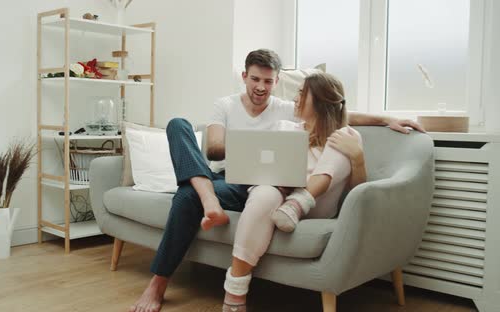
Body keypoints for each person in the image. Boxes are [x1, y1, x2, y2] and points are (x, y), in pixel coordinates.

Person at [129, 49, 424, 312]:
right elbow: (213, 148)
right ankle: (206, 202)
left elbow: (336, 110)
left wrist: (386, 119)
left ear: (276, 81)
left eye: (268, 82)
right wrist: (259, 144)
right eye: (256, 79)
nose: (261, 87)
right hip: (227, 178)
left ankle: (169, 269)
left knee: (191, 192)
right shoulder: (226, 105)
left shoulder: (287, 110)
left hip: (263, 185)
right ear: (245, 76)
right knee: (178, 129)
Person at [222, 71, 365, 312]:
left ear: (319, 101)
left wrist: (358, 158)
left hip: (315, 209)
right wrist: (276, 180)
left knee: (342, 138)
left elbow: (360, 194)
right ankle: (234, 294)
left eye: (301, 94)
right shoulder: (284, 127)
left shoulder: (346, 136)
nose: (295, 99)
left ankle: (301, 201)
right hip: (278, 201)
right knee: (265, 193)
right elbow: (260, 167)